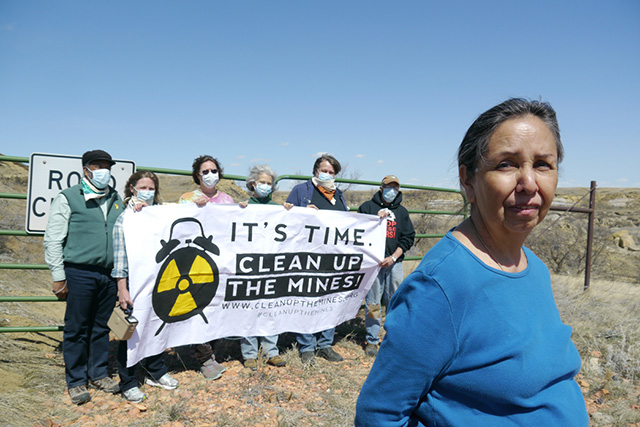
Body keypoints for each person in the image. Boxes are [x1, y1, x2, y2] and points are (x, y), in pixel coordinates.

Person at [355, 98, 588, 426]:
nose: (529, 183)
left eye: (543, 164)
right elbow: (378, 414)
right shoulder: (440, 288)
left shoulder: (534, 268)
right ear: (468, 181)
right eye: (506, 164)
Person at [43, 149, 123, 405]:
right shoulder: (68, 198)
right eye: (96, 166)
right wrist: (58, 276)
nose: (103, 170)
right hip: (79, 272)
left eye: (106, 166)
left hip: (108, 274)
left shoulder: (116, 197)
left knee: (101, 327)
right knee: (77, 328)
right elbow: (53, 239)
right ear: (85, 169)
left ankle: (98, 373)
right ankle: (76, 380)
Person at [112, 171, 179, 403]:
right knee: (130, 331)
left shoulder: (160, 213)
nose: (147, 191)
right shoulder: (126, 217)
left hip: (161, 280)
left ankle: (156, 370)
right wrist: (122, 287)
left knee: (158, 324)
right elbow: (120, 255)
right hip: (134, 282)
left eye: (151, 187)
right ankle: (128, 381)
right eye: (143, 187)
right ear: (132, 188)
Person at [286, 154, 348, 364]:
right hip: (307, 255)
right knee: (307, 298)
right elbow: (286, 218)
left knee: (330, 298)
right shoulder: (301, 191)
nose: (327, 175)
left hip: (332, 256)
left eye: (331, 172)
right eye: (324, 170)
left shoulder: (337, 194)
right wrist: (302, 212)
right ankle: (307, 346)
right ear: (315, 171)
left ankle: (325, 344)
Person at [178, 155, 229, 379]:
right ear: (197, 175)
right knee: (198, 308)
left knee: (216, 307)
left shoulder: (227, 200)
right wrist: (193, 209)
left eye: (213, 170)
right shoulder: (187, 198)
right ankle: (204, 358)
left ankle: (213, 352)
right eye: (205, 171)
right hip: (195, 264)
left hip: (223, 263)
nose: (210, 175)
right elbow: (178, 226)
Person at [238, 164, 293, 370]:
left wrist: (289, 212)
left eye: (269, 183)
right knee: (248, 308)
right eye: (262, 182)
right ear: (253, 183)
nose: (265, 186)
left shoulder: (277, 208)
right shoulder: (244, 206)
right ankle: (249, 353)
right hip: (250, 265)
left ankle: (271, 351)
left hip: (272, 266)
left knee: (271, 307)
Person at [357, 174, 415, 357]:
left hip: (394, 263)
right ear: (381, 188)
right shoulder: (367, 207)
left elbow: (407, 238)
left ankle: (393, 337)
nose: (391, 191)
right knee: (373, 302)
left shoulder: (402, 212)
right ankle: (372, 340)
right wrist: (375, 219)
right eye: (388, 187)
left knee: (395, 300)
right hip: (373, 264)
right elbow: (357, 231)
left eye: (395, 188)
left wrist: (393, 257)